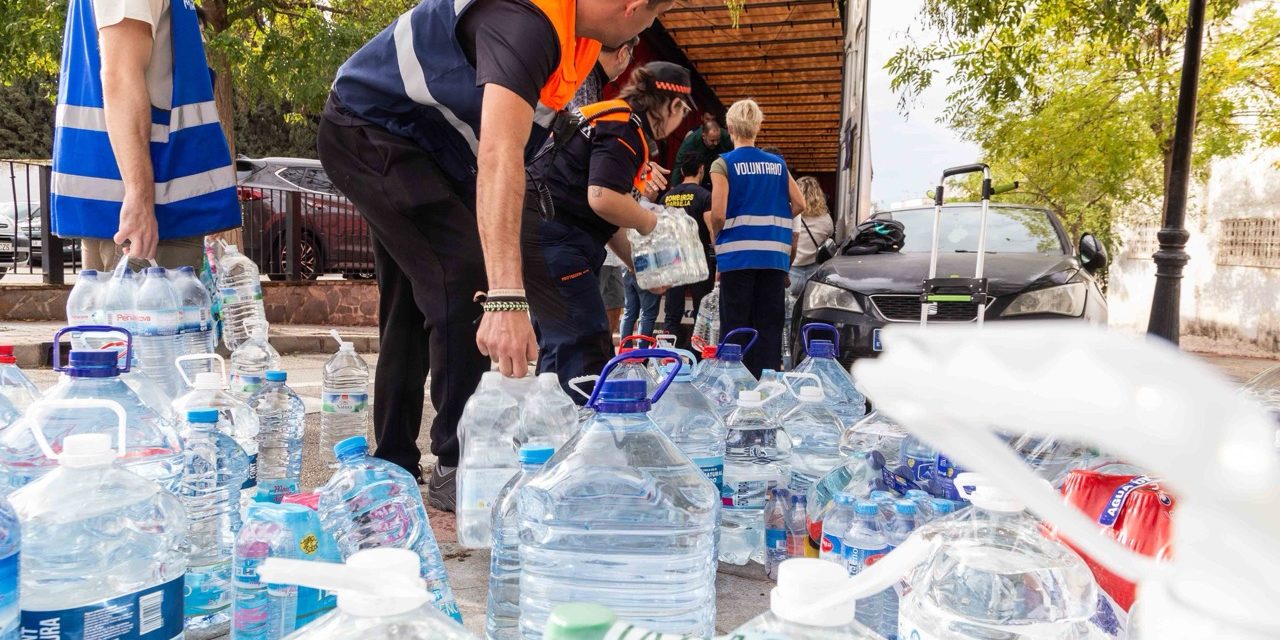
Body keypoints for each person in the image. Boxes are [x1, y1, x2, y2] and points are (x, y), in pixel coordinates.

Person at [316, 0, 672, 510]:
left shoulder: (574, 41)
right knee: (465, 281)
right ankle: (459, 462)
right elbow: (500, 155)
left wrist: (636, 259)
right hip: (375, 129)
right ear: (635, 6)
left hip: (429, 150)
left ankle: (393, 458)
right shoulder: (528, 23)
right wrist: (506, 295)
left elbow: (515, 161)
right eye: (651, 19)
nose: (645, 31)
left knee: (416, 298)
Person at [523, 62, 694, 396]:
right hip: (556, 238)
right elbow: (602, 198)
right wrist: (655, 222)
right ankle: (584, 434)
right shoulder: (624, 126)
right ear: (673, 105)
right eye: (683, 111)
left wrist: (644, 269)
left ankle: (549, 431)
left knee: (561, 348)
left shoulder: (611, 117)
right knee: (585, 342)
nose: (681, 119)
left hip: (544, 235)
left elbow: (608, 217)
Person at [52, 0, 241, 271]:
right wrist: (138, 198)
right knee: (149, 313)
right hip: (145, 217)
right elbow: (121, 75)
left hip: (162, 211)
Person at [708, 99, 805, 377]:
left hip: (737, 258)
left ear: (729, 128)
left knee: (736, 327)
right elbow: (799, 204)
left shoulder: (723, 164)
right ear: (758, 126)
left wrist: (717, 236)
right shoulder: (777, 164)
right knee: (769, 327)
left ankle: (736, 384)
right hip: (774, 259)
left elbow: (718, 212)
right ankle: (767, 385)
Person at [568, 37, 640, 341]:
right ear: (623, 54)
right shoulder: (605, 111)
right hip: (567, 235)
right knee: (585, 340)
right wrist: (647, 220)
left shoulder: (579, 81)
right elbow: (601, 198)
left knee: (569, 340)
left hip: (566, 234)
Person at [660, 157, 715, 347]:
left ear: (682, 172)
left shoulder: (667, 197)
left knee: (672, 312)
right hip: (699, 260)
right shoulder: (705, 196)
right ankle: (701, 358)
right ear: (701, 169)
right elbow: (712, 229)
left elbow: (659, 230)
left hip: (673, 260)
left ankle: (668, 356)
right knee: (702, 310)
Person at [789, 176, 834, 298]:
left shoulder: (790, 215)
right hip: (814, 274)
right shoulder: (826, 219)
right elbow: (829, 237)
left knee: (788, 312)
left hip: (792, 272)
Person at [674, 112, 732, 188]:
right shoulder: (691, 140)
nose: (715, 143)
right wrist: (674, 187)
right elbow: (679, 163)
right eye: (712, 140)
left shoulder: (726, 136)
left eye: (718, 140)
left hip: (720, 176)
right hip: (699, 177)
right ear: (704, 136)